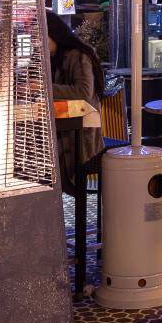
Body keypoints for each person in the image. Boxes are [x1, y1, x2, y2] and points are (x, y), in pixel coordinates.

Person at [47, 11, 108, 195]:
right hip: (64, 128)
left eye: (42, 38)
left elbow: (83, 92)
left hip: (81, 136)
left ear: (53, 34)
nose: (38, 44)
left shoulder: (78, 56)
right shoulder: (54, 58)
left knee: (45, 168)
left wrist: (45, 88)